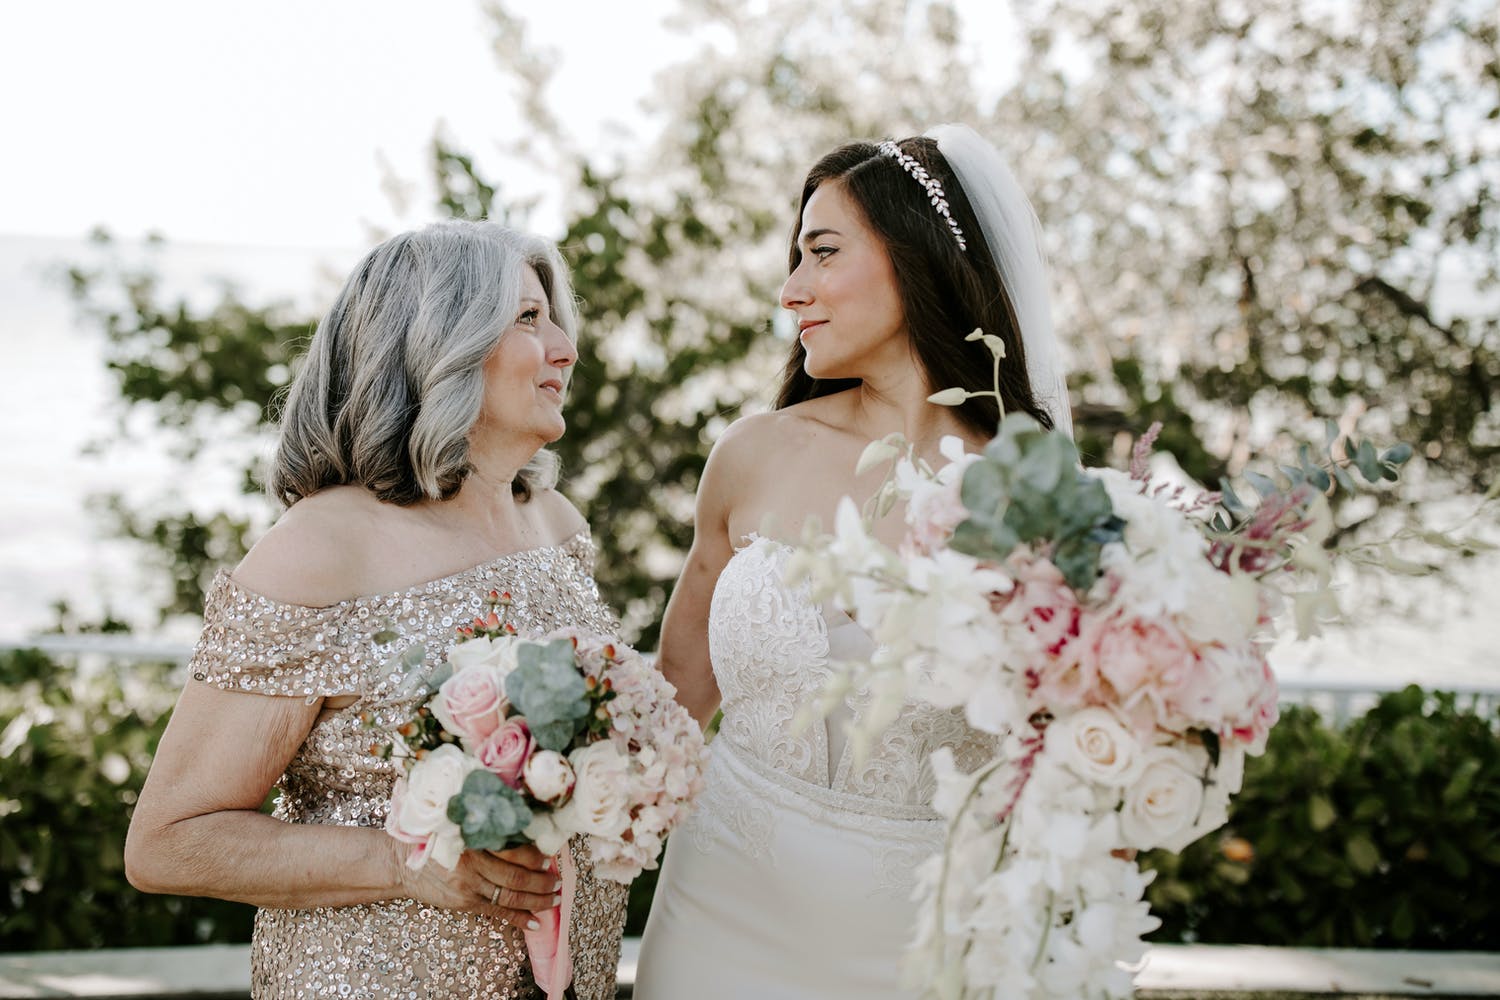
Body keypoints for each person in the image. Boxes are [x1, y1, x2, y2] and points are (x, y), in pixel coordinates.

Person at [124, 220, 628, 999]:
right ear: (437, 344)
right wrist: (403, 862)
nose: (563, 346)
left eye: (552, 316)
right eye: (528, 318)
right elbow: (167, 842)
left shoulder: (553, 523)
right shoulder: (323, 548)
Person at [634, 125, 1072, 999]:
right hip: (721, 911)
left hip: (933, 936)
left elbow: (1070, 750)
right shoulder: (752, 453)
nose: (792, 291)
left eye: (821, 253)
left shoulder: (1037, 497)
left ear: (915, 260)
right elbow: (669, 703)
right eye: (795, 259)